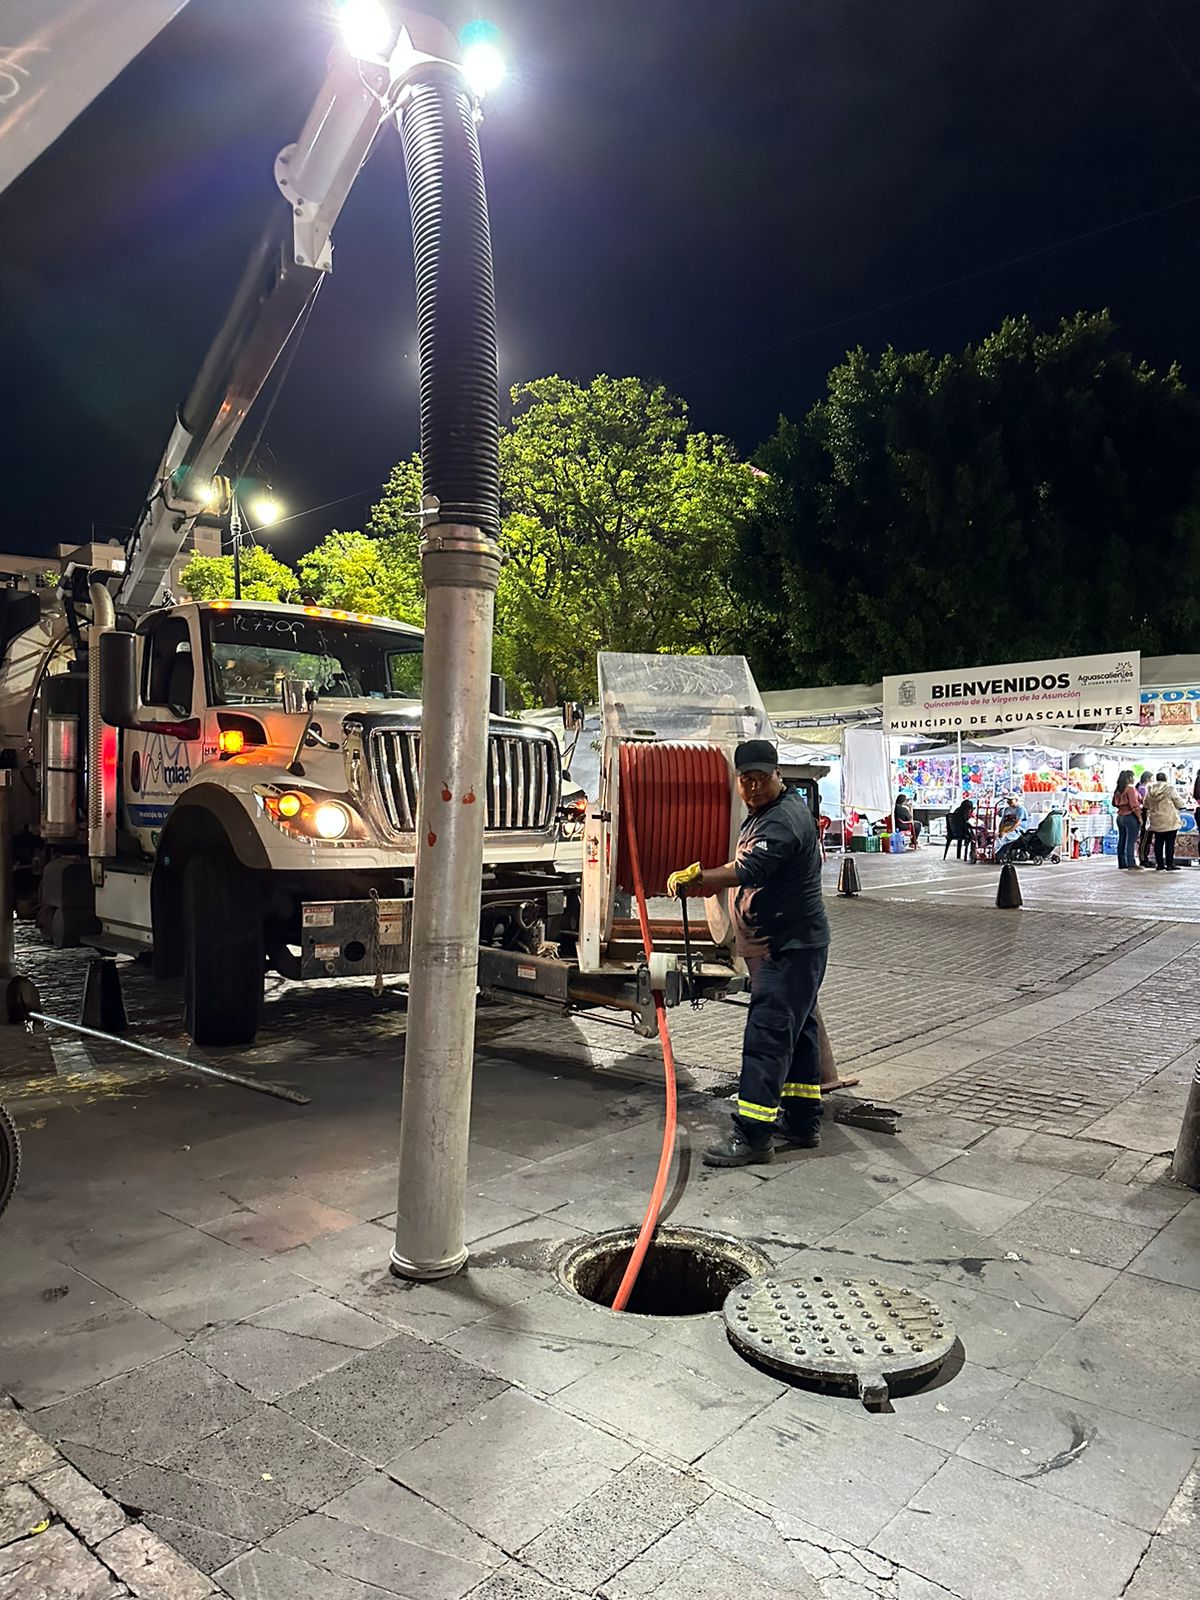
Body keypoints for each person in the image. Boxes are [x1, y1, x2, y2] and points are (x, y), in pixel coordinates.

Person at [668, 739, 830, 1167]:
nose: (753, 787)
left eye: (761, 778)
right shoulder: (767, 812)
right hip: (788, 946)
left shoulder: (783, 819)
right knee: (799, 1034)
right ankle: (802, 1121)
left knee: (767, 1039)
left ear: (779, 774)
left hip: (785, 949)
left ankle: (754, 1135)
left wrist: (700, 877)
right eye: (746, 780)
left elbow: (750, 869)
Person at [1144, 772, 1184, 872]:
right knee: (1170, 843)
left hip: (1156, 819)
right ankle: (1170, 864)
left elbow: (1146, 804)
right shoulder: (1169, 789)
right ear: (1166, 778)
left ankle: (1160, 864)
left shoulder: (1150, 789)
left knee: (1158, 842)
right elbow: (1179, 802)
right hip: (1169, 819)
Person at [1112, 769, 1143, 870]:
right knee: (1130, 841)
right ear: (1129, 778)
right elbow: (1134, 806)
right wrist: (1140, 818)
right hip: (1130, 816)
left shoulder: (1118, 790)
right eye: (1133, 777)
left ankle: (1122, 862)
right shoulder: (1131, 789)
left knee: (1122, 840)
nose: (1134, 779)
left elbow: (1114, 803)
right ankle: (1131, 863)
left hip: (1120, 816)